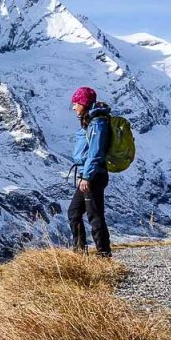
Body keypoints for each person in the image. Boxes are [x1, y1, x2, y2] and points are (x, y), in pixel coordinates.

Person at [68, 86, 112, 257]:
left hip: (93, 175)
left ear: (84, 103)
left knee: (95, 215)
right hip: (87, 174)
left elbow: (95, 152)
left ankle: (103, 254)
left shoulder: (97, 123)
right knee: (74, 212)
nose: (73, 107)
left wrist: (86, 176)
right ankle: (80, 253)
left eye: (76, 103)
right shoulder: (90, 121)